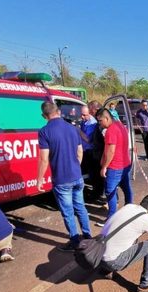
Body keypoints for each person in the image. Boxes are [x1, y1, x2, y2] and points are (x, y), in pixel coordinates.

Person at [37, 102, 92, 252]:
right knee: (80, 207)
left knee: (68, 212)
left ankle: (75, 242)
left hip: (61, 180)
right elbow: (80, 152)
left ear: (44, 116)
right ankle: (88, 238)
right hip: (77, 176)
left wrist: (40, 179)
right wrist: (75, 166)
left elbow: (43, 159)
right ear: (58, 112)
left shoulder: (44, 132)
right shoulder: (73, 128)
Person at [100, 195, 148, 292]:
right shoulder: (147, 220)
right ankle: (145, 286)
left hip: (97, 255)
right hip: (112, 262)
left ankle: (106, 270)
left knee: (131, 235)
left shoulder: (128, 207)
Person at [97, 108, 134, 218]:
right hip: (125, 164)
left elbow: (111, 151)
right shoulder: (120, 125)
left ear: (107, 118)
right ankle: (129, 209)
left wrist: (104, 167)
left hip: (115, 167)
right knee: (126, 187)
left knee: (110, 191)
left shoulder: (111, 130)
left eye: (100, 121)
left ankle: (112, 216)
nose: (99, 123)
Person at [79, 105, 100, 200]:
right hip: (84, 151)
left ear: (90, 114)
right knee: (88, 173)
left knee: (93, 174)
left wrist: (77, 130)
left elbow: (88, 139)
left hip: (90, 152)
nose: (82, 117)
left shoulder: (92, 123)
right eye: (81, 115)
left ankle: (96, 193)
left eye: (84, 115)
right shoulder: (85, 121)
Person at [89, 101, 105, 202]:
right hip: (96, 153)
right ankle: (97, 194)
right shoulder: (97, 121)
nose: (90, 113)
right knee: (96, 175)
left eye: (90, 111)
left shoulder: (102, 122)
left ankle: (101, 195)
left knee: (101, 177)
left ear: (95, 109)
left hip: (101, 154)